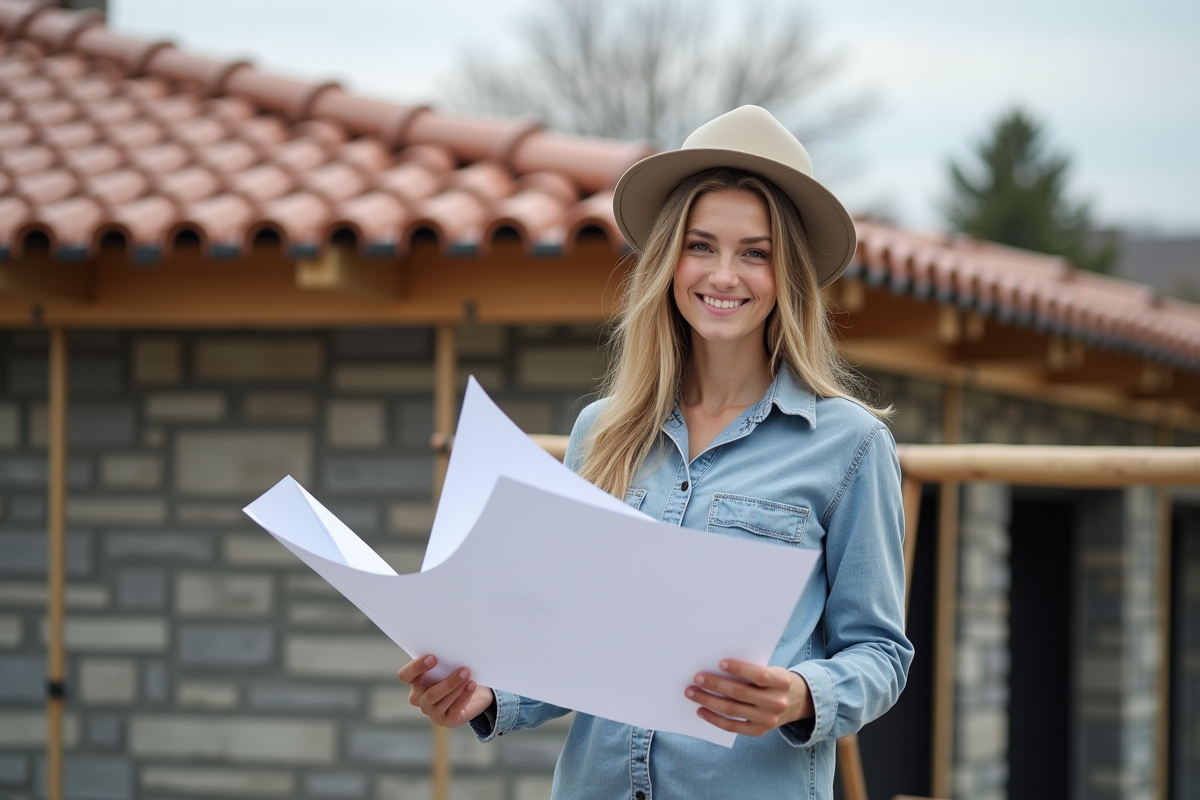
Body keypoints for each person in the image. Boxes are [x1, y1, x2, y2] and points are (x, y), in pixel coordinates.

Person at [398, 105, 913, 800]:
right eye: (700, 246)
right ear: (669, 262)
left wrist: (799, 694)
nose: (723, 275)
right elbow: (572, 643)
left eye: (754, 252)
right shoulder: (601, 432)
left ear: (786, 275)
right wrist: (485, 695)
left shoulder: (849, 446)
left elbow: (881, 654)